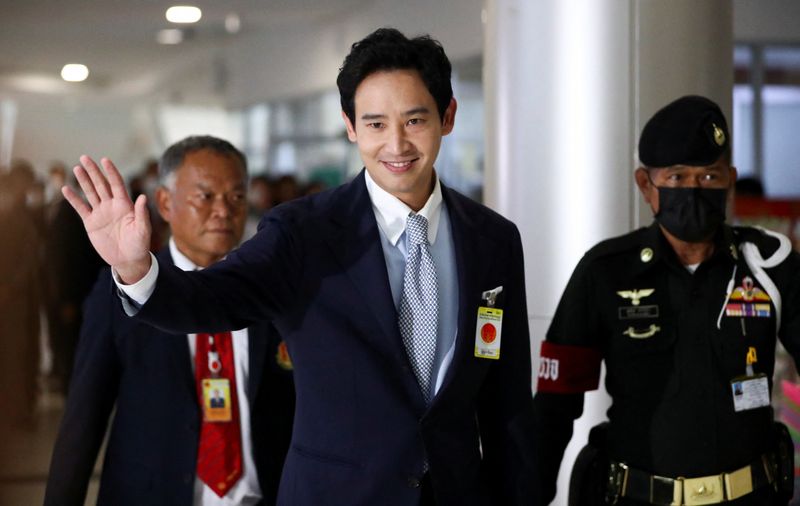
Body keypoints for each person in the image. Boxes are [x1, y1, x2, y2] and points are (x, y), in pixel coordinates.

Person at [61, 28, 534, 506]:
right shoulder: (303, 232)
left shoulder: (492, 239)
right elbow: (215, 298)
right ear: (350, 127)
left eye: (414, 120)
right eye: (374, 125)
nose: (397, 144)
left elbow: (508, 400)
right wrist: (137, 269)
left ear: (447, 116)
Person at [529, 95, 800, 505]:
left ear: (730, 179)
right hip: (638, 496)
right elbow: (554, 405)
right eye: (676, 177)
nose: (693, 190)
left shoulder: (768, 265)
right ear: (646, 185)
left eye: (709, 177)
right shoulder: (605, 272)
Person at [45, 136, 295, 506]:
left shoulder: (274, 287)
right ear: (165, 202)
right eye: (205, 196)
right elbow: (84, 419)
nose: (224, 211)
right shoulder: (122, 288)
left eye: (237, 197)